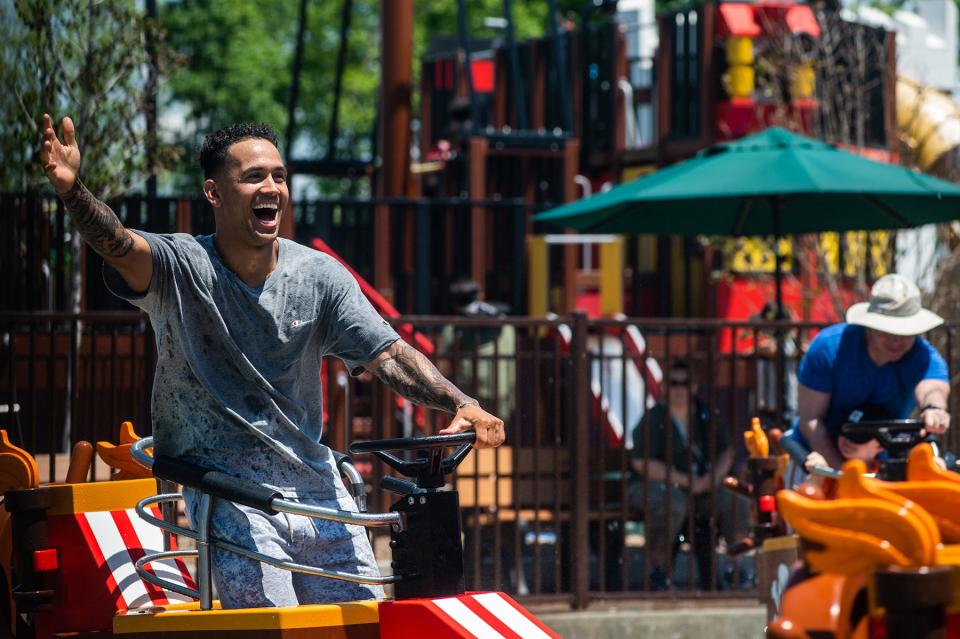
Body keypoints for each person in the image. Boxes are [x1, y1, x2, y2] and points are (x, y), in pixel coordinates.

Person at [39, 115, 505, 609]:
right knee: (275, 624)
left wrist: (462, 401)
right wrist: (73, 192)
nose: (272, 187)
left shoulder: (319, 275)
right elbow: (119, 244)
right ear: (215, 193)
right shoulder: (181, 267)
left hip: (318, 487)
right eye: (254, 176)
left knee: (365, 621)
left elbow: (387, 353)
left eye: (280, 176)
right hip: (228, 491)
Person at [795, 273, 950, 472]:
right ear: (870, 327)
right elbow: (811, 421)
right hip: (816, 457)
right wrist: (841, 473)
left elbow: (933, 389)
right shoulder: (829, 348)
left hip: (880, 461)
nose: (896, 341)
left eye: (904, 333)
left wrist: (934, 410)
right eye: (887, 331)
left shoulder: (924, 357)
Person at [628, 360, 743, 590]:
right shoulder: (653, 419)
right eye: (673, 383)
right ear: (664, 387)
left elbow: (727, 452)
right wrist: (686, 481)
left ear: (694, 386)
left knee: (734, 499)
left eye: (685, 383)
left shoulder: (707, 415)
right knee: (673, 501)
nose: (679, 388)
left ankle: (736, 567)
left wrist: (710, 480)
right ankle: (658, 569)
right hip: (657, 486)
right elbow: (642, 463)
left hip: (702, 487)